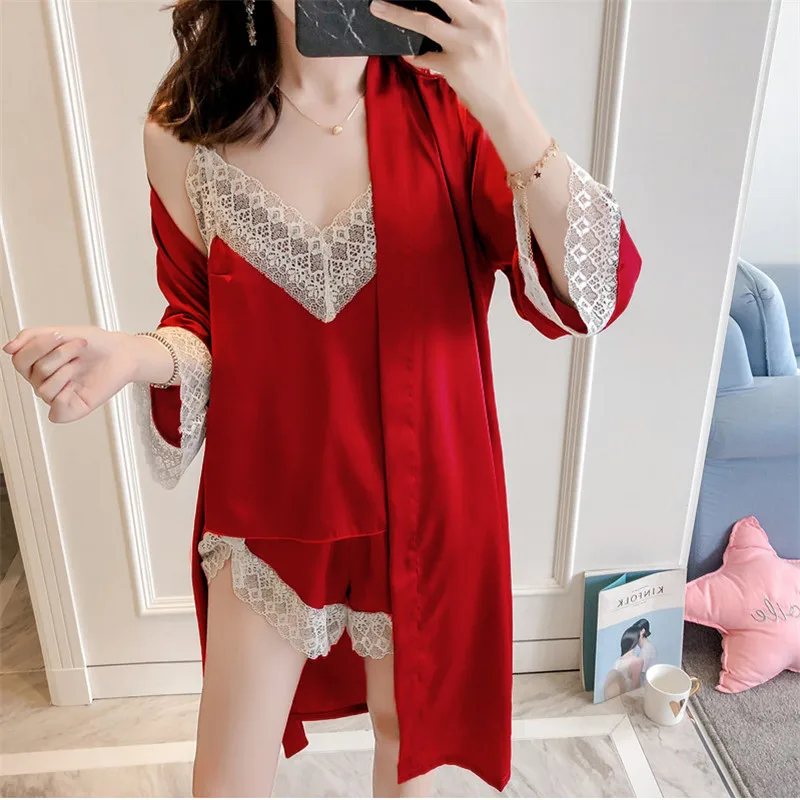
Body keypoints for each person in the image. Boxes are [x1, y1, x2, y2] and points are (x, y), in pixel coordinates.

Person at [3, 0, 642, 796]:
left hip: (427, 501)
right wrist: (135, 356)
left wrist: (502, 97)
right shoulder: (184, 131)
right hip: (269, 503)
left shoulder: (451, 108)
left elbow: (597, 289)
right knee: (226, 778)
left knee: (408, 747)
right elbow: (200, 320)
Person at [604, 627, 645, 701]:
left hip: (614, 701)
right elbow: (635, 689)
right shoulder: (637, 662)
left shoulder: (617, 661)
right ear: (637, 640)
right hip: (627, 701)